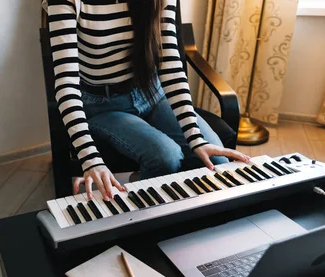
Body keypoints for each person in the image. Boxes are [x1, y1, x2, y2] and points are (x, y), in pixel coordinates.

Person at [46, 0, 250, 201]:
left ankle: (174, 212)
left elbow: (170, 64)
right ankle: (144, 210)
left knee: (216, 161)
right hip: (102, 105)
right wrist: (90, 159)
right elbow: (67, 84)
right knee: (166, 157)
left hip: (152, 92)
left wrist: (195, 138)